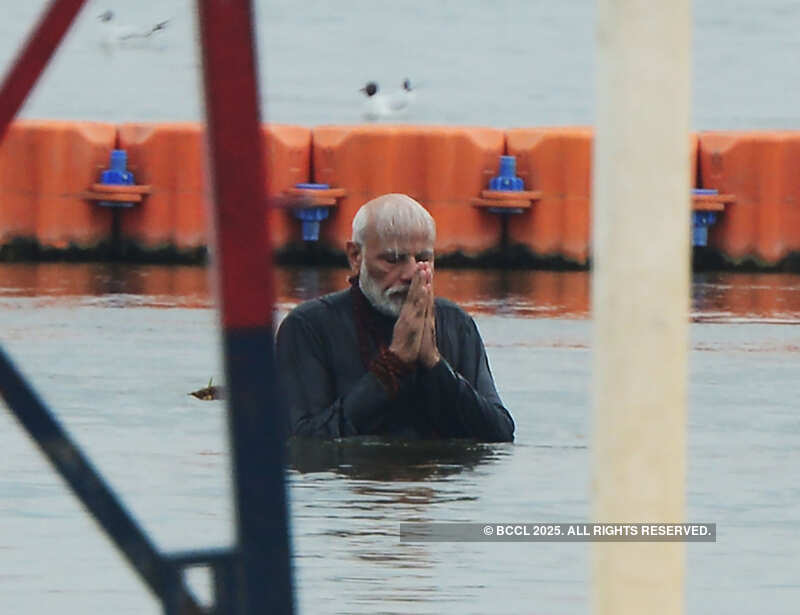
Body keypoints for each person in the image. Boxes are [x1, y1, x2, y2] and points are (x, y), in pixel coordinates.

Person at [276, 193, 514, 442]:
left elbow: (500, 434)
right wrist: (393, 365)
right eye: (393, 259)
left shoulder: (456, 323)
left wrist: (434, 363)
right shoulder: (308, 327)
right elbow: (304, 439)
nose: (410, 273)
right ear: (355, 257)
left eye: (422, 259)